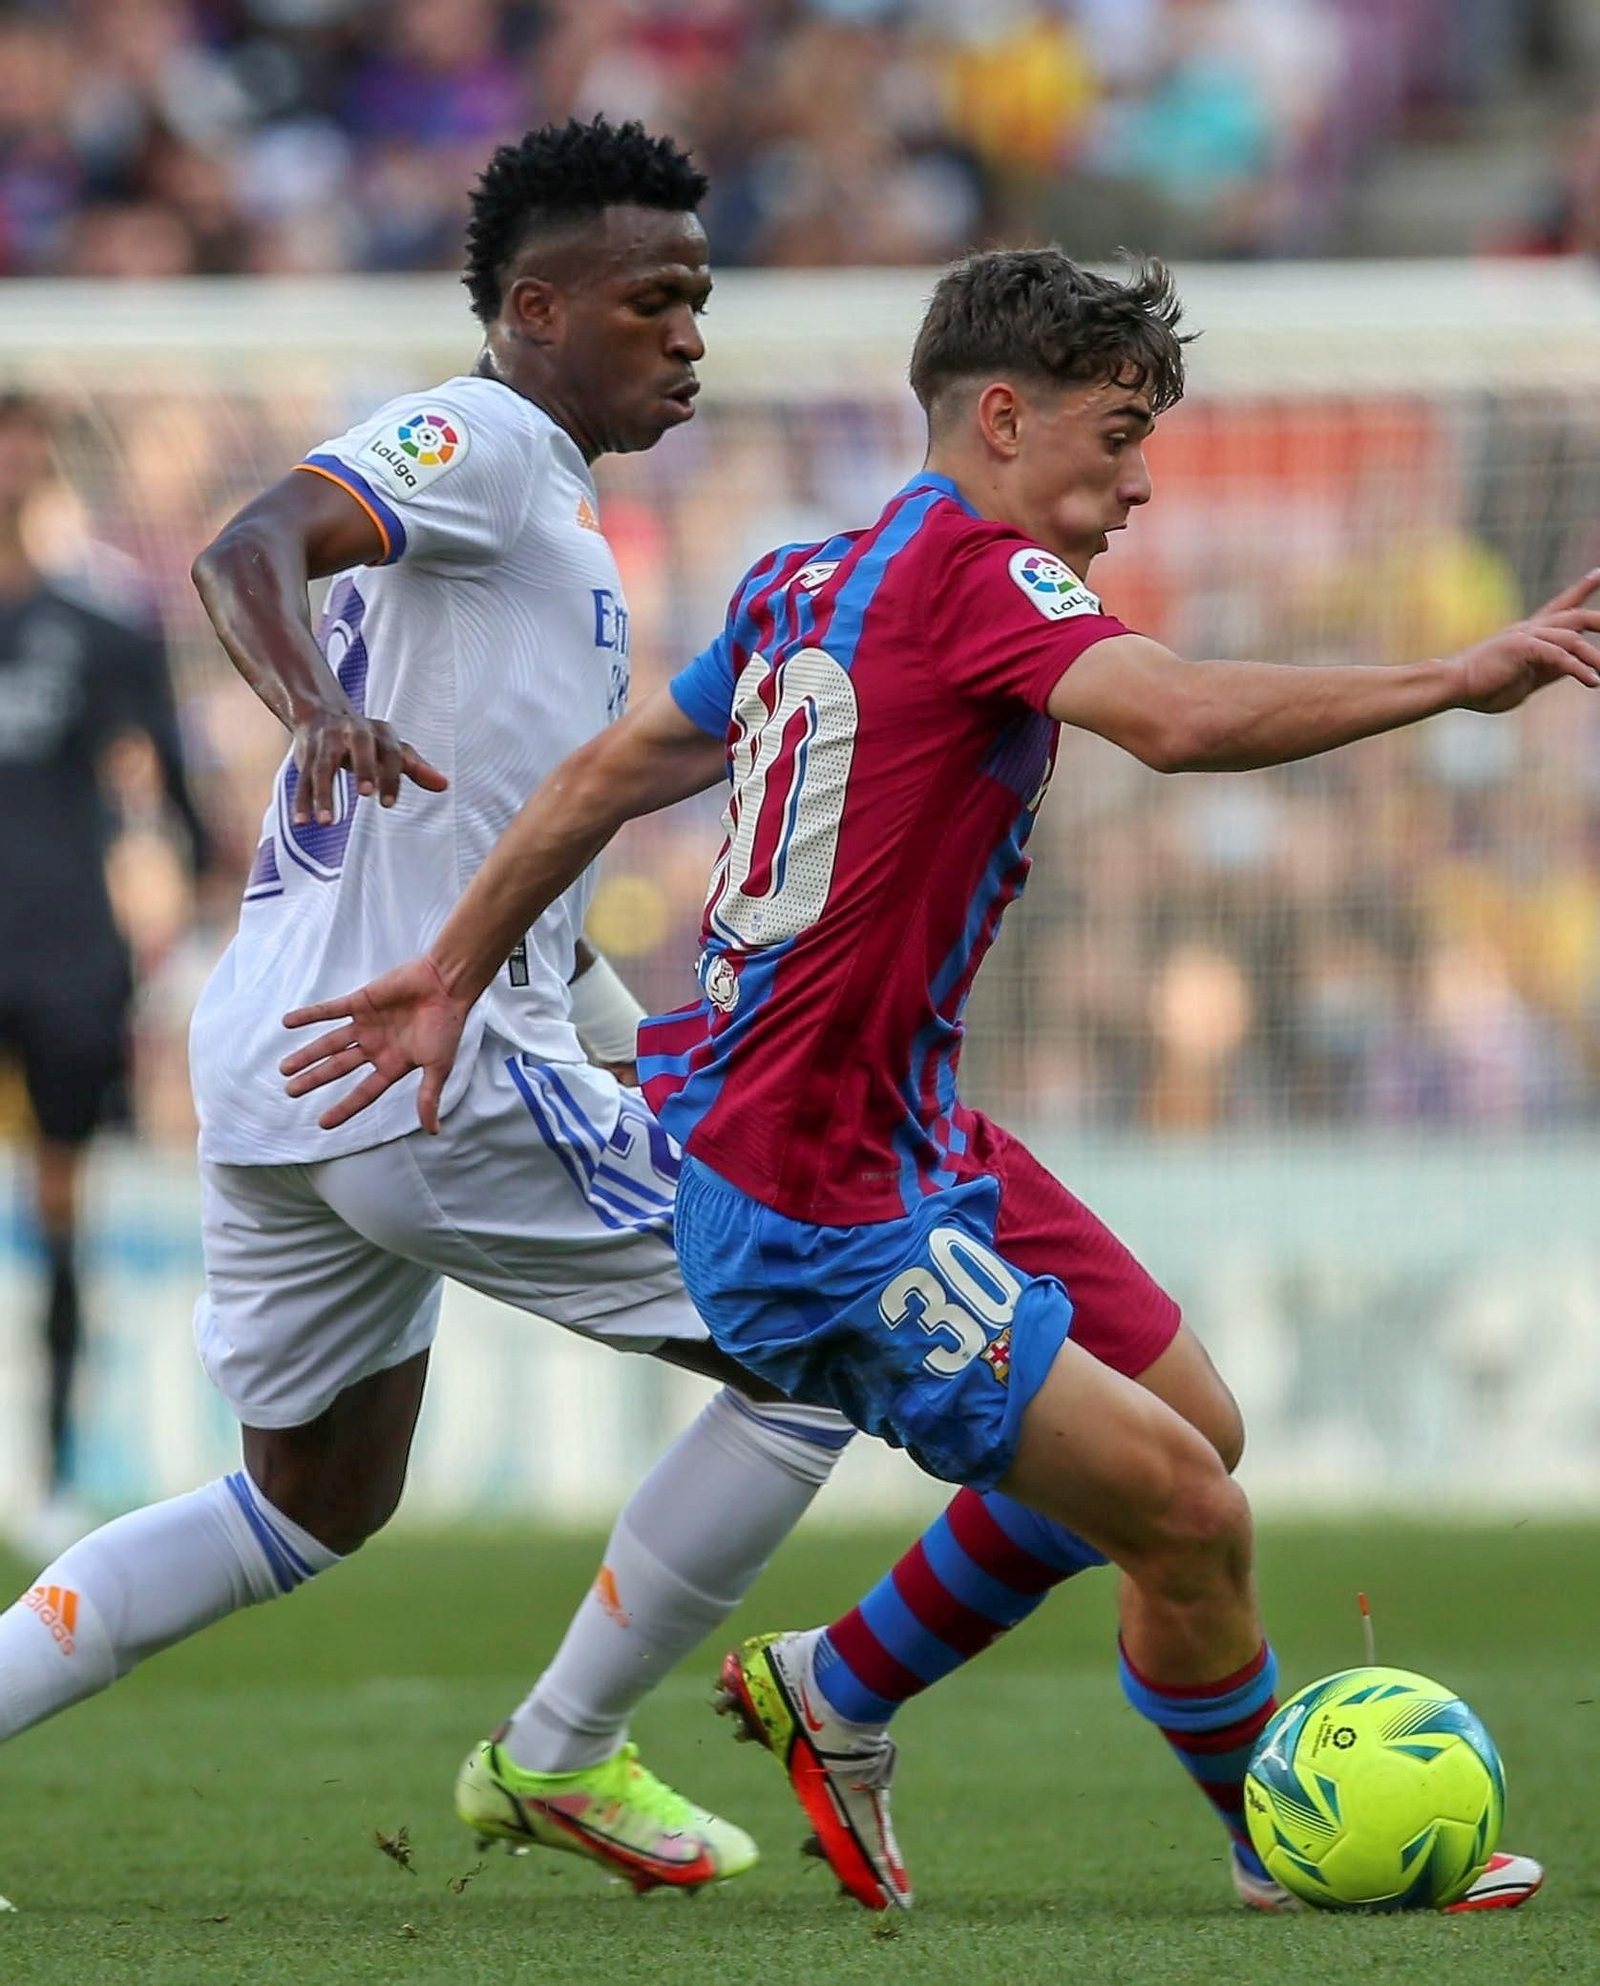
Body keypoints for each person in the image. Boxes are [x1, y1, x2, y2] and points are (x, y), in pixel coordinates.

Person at [277, 248, 1584, 1917]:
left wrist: (453, 972)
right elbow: (1174, 719)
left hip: (904, 1126)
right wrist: (1461, 676)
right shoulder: (977, 576)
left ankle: (842, 1686)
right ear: (1001, 413)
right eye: (1116, 435)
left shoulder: (805, 577)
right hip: (816, 1184)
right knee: (1188, 1515)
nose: (1139, 478)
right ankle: (1288, 1843)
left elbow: (612, 773)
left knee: (1196, 1428)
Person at [0, 117, 864, 1897]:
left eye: (701, 298)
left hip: (289, 1063)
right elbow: (250, 541)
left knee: (307, 1506)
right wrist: (309, 698)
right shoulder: (481, 437)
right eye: (654, 300)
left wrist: (654, 1041)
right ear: (535, 308)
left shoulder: (553, 518)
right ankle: (561, 1755)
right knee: (821, 1347)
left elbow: (505, 863)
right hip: (422, 1065)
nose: (691, 332)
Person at [0, 392, 211, 1552]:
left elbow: (171, 793)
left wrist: (189, 929)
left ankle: (53, 1474)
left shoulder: (97, 629)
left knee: (63, 1217)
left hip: (63, 959)